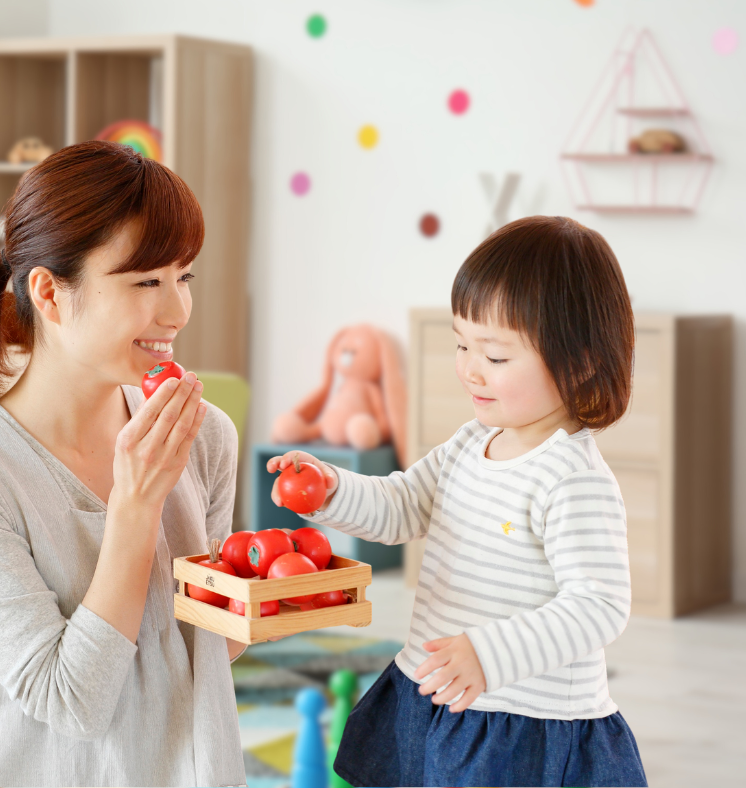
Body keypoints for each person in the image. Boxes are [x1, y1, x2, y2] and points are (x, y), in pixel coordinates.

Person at [0, 141, 248, 787]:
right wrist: (137, 506)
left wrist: (267, 602)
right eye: (145, 281)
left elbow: (201, 651)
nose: (176, 311)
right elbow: (71, 702)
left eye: (183, 276)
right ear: (50, 294)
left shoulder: (203, 437)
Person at [268, 216, 648, 787]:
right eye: (462, 344)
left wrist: (490, 654)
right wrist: (331, 488)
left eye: (495, 356)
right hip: (440, 689)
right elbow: (401, 507)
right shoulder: (471, 443)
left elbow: (598, 605)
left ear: (581, 362)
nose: (470, 368)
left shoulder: (572, 478)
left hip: (519, 721)